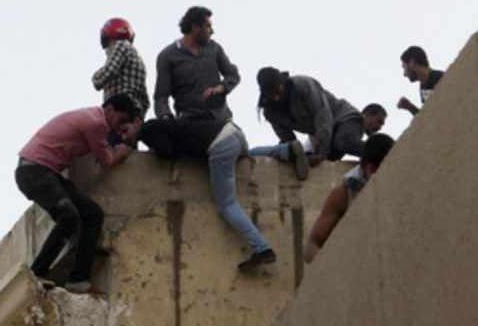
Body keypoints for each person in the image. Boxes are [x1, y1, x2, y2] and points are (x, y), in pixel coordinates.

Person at [16, 95, 139, 293]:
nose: (119, 126)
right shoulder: (96, 123)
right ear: (109, 109)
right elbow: (107, 160)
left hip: (47, 173)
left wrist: (126, 134)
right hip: (34, 172)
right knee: (68, 216)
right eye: (121, 119)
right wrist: (124, 149)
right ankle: (36, 274)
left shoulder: (94, 121)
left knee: (92, 213)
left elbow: (106, 145)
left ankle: (79, 279)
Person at [139, 116, 276, 272]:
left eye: (125, 130)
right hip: (233, 132)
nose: (123, 135)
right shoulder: (170, 124)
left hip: (220, 145)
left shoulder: (147, 129)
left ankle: (262, 249)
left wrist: (154, 150)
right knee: (247, 156)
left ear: (136, 122)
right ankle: (285, 150)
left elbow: (166, 152)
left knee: (227, 205)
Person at [251, 67, 363, 180]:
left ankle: (373, 154)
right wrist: (298, 157)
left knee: (343, 143)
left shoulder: (302, 86)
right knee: (321, 167)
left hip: (345, 119)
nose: (276, 97)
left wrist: (321, 153)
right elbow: (288, 139)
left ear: (282, 83)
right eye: (272, 94)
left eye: (278, 91)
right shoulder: (271, 111)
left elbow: (322, 116)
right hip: (327, 136)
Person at [304, 133, 395, 263]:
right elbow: (311, 247)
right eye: (374, 169)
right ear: (365, 165)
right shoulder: (343, 195)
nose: (378, 175)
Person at [154, 6, 241, 122]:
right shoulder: (167, 56)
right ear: (195, 27)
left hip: (221, 119)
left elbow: (233, 75)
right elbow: (161, 97)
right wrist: (166, 118)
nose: (212, 31)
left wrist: (220, 88)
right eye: (208, 26)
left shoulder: (214, 48)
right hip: (190, 122)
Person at [250, 103, 387, 173]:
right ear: (367, 114)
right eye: (379, 121)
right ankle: (247, 153)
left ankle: (248, 153)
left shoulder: (353, 124)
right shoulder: (355, 121)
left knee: (280, 154)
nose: (379, 127)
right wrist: (377, 151)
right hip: (313, 151)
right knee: (281, 153)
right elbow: (344, 143)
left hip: (314, 150)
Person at [92, 17, 150, 119]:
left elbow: (103, 77)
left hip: (120, 109)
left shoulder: (121, 45)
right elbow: (145, 100)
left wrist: (95, 77)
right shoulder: (134, 55)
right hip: (134, 112)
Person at [398, 46, 445, 116]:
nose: (404, 74)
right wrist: (410, 107)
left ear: (412, 63)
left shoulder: (439, 78)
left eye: (404, 67)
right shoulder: (423, 88)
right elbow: (430, 116)